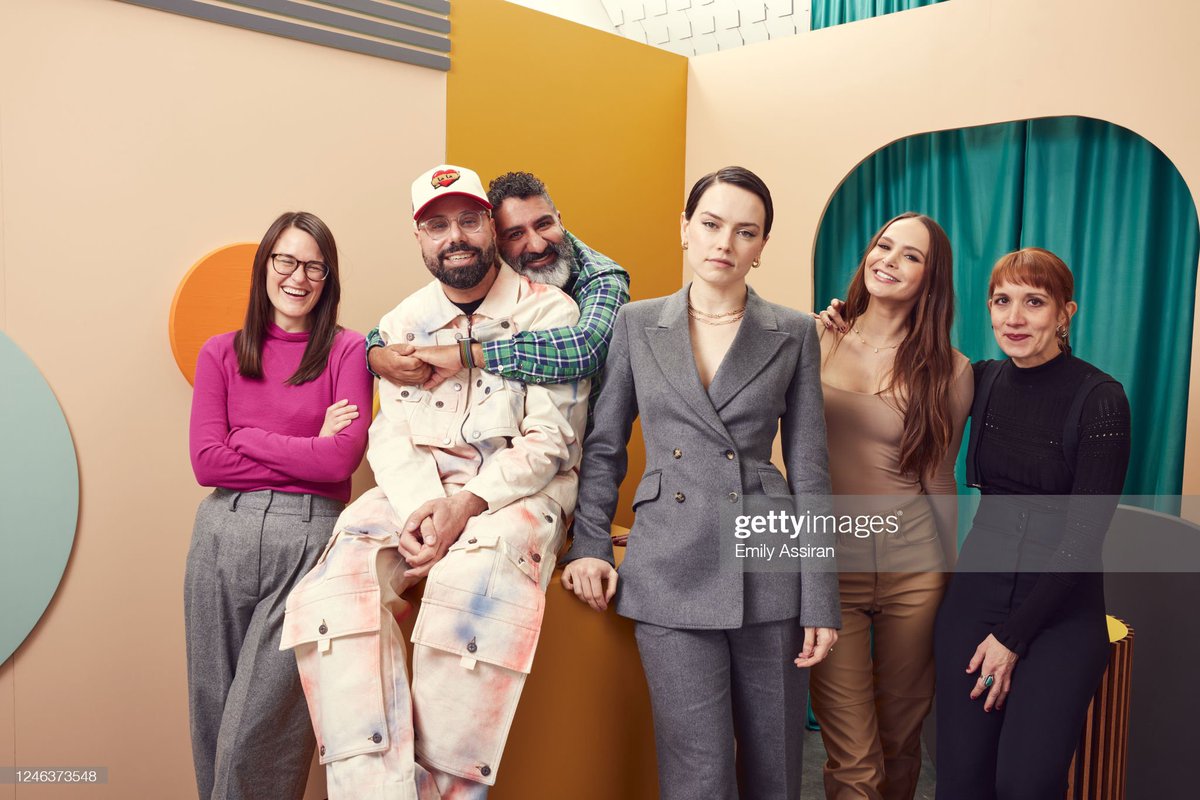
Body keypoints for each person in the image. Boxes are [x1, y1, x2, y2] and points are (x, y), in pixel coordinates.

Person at [281, 164, 588, 800]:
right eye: (438, 225)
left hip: (516, 496)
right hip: (414, 493)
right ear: (419, 238)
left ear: (491, 230)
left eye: (470, 221)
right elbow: (387, 433)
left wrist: (462, 508)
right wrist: (428, 505)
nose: (456, 236)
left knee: (469, 586)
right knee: (332, 594)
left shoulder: (550, 311)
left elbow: (549, 442)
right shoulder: (400, 324)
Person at [561, 166, 840, 800]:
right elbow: (604, 449)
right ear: (685, 229)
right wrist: (591, 546)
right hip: (669, 566)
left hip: (770, 567)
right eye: (711, 225)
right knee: (698, 777)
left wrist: (821, 595)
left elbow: (811, 465)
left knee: (775, 772)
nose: (725, 243)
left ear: (762, 247)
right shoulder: (636, 323)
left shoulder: (793, 331)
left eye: (746, 232)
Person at [185, 211, 372, 800]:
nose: (298, 277)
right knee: (214, 720)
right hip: (222, 534)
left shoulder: (347, 351)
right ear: (264, 266)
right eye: (285, 261)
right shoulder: (219, 354)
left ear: (329, 278)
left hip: (310, 544)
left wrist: (248, 437)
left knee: (259, 734)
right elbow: (206, 464)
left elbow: (339, 463)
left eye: (314, 266)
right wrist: (308, 442)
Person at [933, 247, 1130, 799]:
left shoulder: (1102, 399)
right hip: (974, 601)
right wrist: (838, 325)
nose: (1014, 318)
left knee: (1026, 783)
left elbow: (1084, 539)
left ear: (1066, 313)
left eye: (1034, 302)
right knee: (961, 782)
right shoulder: (980, 379)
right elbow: (899, 369)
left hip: (1061, 613)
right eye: (1002, 301)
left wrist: (1012, 638)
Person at [811, 214, 972, 800]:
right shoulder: (814, 337)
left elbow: (939, 478)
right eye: (883, 246)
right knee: (853, 757)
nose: (889, 260)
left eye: (911, 256)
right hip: (830, 569)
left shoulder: (950, 369)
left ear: (931, 278)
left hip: (915, 571)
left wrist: (949, 580)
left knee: (901, 744)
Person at [367, 170, 630, 429]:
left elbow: (587, 349)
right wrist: (376, 355)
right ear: (495, 236)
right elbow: (393, 328)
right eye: (515, 234)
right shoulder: (480, 264)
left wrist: (466, 354)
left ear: (560, 220)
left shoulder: (602, 278)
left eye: (544, 224)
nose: (537, 245)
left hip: (592, 439)